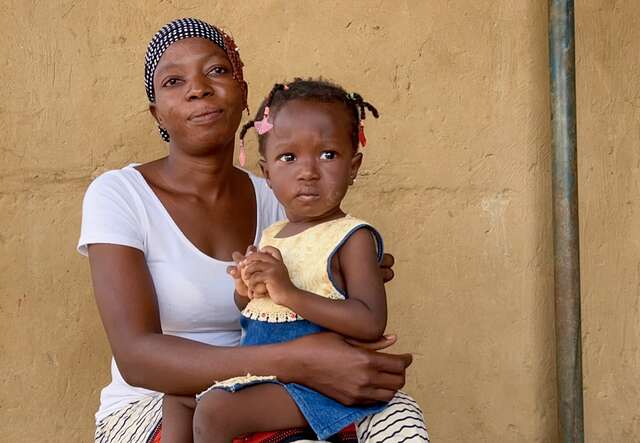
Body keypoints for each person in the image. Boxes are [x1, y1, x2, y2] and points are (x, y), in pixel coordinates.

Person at [78, 18, 428, 443]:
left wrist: (349, 271)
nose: (198, 89)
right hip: (156, 401)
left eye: (216, 71)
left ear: (244, 92)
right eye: (174, 81)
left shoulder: (282, 198)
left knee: (397, 417)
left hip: (273, 388)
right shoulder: (120, 195)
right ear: (157, 114)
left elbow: (332, 282)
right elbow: (137, 358)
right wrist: (302, 362)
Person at [162, 79, 394, 442]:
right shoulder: (273, 233)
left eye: (328, 155)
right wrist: (246, 289)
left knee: (215, 412)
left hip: (315, 387)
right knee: (177, 397)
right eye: (289, 157)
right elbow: (260, 311)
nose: (308, 172)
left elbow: (370, 322)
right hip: (264, 373)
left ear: (354, 165)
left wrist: (288, 292)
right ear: (267, 172)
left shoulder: (353, 237)